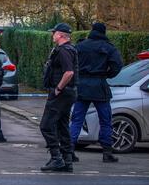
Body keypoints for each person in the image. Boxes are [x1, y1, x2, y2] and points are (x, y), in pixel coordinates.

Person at [70, 22, 123, 163]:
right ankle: (107, 152)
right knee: (105, 121)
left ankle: (68, 151)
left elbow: (71, 64)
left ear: (92, 31)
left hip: (82, 85)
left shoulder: (80, 46)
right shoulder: (108, 47)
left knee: (77, 120)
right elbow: (117, 66)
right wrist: (107, 75)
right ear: (104, 32)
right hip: (99, 85)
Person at [40, 23, 78, 172]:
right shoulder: (70, 49)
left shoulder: (63, 51)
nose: (52, 35)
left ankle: (57, 158)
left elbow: (69, 72)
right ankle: (67, 160)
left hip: (61, 94)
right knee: (62, 126)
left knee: (46, 126)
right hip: (68, 93)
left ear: (61, 35)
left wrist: (58, 88)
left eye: (54, 32)